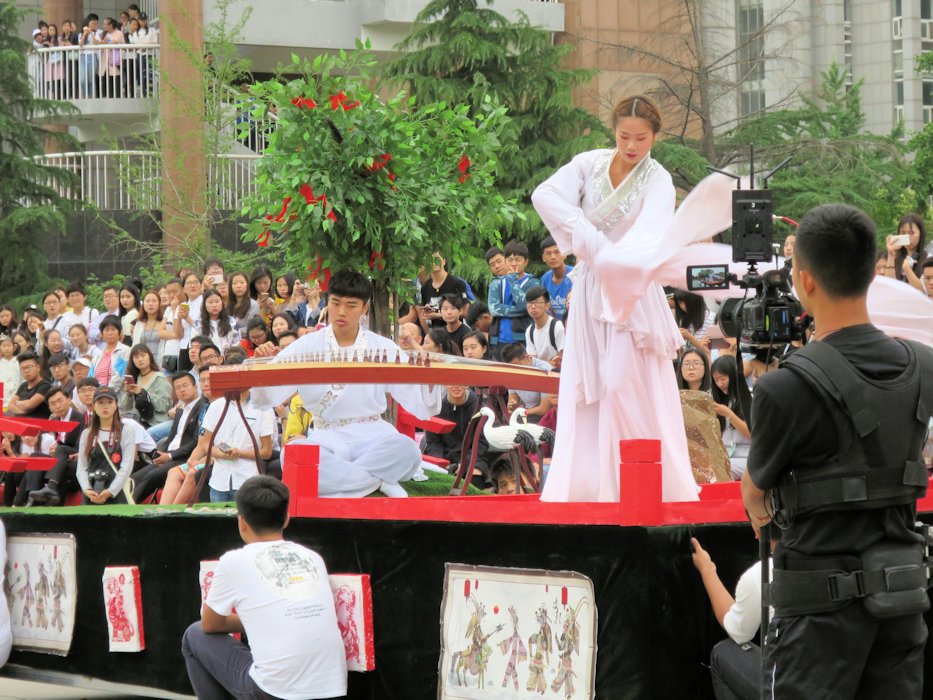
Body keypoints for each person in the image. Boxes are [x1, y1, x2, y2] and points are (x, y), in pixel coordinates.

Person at [741, 203, 933, 698]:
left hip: (816, 616)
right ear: (873, 271)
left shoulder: (784, 387)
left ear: (803, 280)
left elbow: (755, 499)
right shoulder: (924, 366)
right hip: (901, 599)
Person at [531, 94, 698, 502]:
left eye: (642, 138)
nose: (632, 145)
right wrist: (590, 241)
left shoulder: (657, 179)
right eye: (625, 136)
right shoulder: (589, 163)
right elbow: (545, 195)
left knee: (625, 380)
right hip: (590, 286)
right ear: (614, 131)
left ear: (655, 137)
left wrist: (611, 257)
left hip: (632, 289)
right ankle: (591, 483)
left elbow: (650, 235)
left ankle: (639, 479)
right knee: (592, 384)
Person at [252, 269, 443, 498]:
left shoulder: (382, 347)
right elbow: (267, 396)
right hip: (327, 434)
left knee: (408, 450)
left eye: (351, 305)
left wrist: (429, 375)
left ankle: (349, 483)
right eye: (335, 303)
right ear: (327, 302)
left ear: (364, 308)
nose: (341, 312)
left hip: (373, 433)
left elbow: (420, 401)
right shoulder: (306, 346)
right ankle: (378, 481)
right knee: (292, 454)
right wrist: (260, 364)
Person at [181, 476, 347, 699]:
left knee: (194, 634)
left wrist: (255, 617)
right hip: (332, 691)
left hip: (274, 693)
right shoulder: (313, 558)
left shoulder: (234, 561)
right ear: (286, 519)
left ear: (242, 522)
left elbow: (210, 625)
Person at [691, 535, 772, 700]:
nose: (755, 535)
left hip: (790, 686)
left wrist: (707, 569)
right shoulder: (839, 562)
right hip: (835, 684)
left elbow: (737, 632)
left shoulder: (763, 573)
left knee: (723, 652)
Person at [185, 357, 275, 503]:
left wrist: (239, 454)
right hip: (219, 480)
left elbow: (266, 451)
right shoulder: (216, 406)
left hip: (248, 480)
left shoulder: (262, 408)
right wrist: (222, 454)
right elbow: (205, 444)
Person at [131, 372, 207, 503]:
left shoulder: (203, 408)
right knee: (135, 477)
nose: (181, 390)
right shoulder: (180, 410)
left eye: (185, 385)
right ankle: (123, 503)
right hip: (169, 455)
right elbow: (172, 436)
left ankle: (129, 507)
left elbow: (196, 442)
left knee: (151, 476)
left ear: (195, 387)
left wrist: (170, 456)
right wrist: (163, 453)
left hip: (184, 458)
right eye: (178, 388)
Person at [25, 387, 86, 506]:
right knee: (35, 456)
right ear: (49, 408)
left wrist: (59, 450)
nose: (57, 406)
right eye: (53, 403)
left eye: (60, 401)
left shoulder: (80, 418)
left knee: (61, 449)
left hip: (76, 462)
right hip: (62, 460)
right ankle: (32, 496)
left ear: (69, 400)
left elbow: (80, 448)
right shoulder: (57, 420)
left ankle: (51, 487)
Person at [76, 387, 136, 505]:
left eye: (110, 402)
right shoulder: (87, 434)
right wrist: (87, 489)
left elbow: (126, 466)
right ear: (93, 405)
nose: (105, 406)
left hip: (117, 493)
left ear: (116, 405)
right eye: (100, 402)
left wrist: (110, 491)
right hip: (92, 493)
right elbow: (82, 467)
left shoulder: (126, 431)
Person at [422, 385, 490, 486]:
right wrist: (440, 463)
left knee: (474, 477)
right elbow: (433, 443)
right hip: (446, 458)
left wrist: (464, 462)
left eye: (460, 381)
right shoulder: (436, 409)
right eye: (451, 382)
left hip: (473, 458)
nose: (456, 386)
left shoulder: (480, 409)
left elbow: (482, 442)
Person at [710, 355, 751, 479]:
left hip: (747, 457)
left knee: (723, 468)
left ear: (733, 376)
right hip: (726, 455)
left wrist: (729, 414)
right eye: (716, 380)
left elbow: (751, 433)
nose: (720, 384)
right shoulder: (719, 400)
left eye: (723, 378)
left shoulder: (750, 397)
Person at [418, 253, 470, 333]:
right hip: (436, 334)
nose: (433, 263)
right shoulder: (425, 287)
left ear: (444, 261)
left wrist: (439, 315)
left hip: (456, 332)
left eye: (437, 259)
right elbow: (422, 314)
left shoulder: (457, 283)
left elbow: (464, 311)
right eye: (430, 260)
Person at [882, 213, 928, 292]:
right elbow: (889, 285)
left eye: (911, 233)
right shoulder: (895, 257)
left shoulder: (928, 258)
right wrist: (890, 255)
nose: (907, 236)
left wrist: (907, 270)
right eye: (903, 233)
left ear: (921, 234)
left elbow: (924, 291)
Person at [524, 287, 564, 368]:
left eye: (537, 302)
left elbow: (562, 358)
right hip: (540, 373)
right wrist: (547, 363)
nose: (533, 306)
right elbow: (532, 361)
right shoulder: (530, 330)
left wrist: (542, 364)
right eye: (530, 303)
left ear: (547, 306)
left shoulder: (557, 326)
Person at [6, 352, 53, 419]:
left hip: (38, 424)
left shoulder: (45, 385)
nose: (26, 371)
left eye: (29, 367)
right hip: (22, 422)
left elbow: (30, 405)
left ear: (38, 368)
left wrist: (16, 403)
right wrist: (24, 412)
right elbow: (10, 406)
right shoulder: (23, 386)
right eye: (23, 368)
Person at [539, 235, 573, 323]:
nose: (553, 257)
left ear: (565, 254)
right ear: (543, 257)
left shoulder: (575, 275)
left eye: (557, 252)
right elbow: (547, 308)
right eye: (548, 253)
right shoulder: (544, 279)